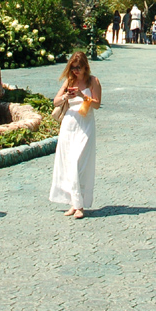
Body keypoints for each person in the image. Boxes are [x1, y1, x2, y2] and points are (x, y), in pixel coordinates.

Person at [50, 51, 102, 219]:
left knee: (79, 162)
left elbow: (97, 104)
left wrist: (82, 95)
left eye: (78, 68)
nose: (75, 71)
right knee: (69, 163)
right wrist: (66, 96)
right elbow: (55, 101)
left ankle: (79, 203)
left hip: (85, 124)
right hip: (69, 124)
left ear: (85, 66)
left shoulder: (93, 81)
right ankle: (75, 204)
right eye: (72, 68)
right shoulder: (69, 81)